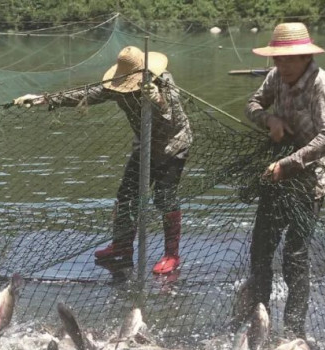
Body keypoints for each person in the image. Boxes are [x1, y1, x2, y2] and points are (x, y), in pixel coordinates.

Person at [13, 46, 192, 275]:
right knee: (127, 196)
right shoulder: (118, 86)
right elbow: (88, 93)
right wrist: (44, 99)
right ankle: (122, 246)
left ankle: (171, 255)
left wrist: (157, 100)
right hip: (144, 144)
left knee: (164, 198)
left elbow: (172, 120)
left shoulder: (163, 82)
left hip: (172, 146)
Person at [244, 22, 325, 338]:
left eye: (288, 59)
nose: (281, 65)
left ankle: (293, 333)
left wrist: (289, 163)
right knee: (260, 249)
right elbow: (252, 104)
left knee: (294, 257)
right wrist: (270, 118)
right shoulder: (276, 77)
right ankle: (259, 323)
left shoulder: (321, 85)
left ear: (304, 57)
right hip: (276, 175)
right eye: (277, 59)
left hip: (308, 181)